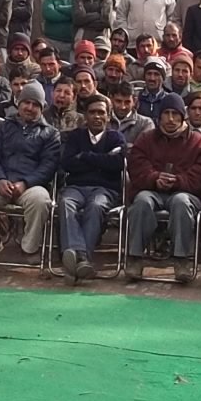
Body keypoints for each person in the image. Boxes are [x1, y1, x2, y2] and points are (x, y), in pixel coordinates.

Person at [0, 85, 61, 260]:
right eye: (26, 102)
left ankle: (30, 249)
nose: (30, 108)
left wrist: (25, 183)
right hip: (0, 183)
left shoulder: (50, 133)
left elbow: (48, 166)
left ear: (42, 108)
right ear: (18, 103)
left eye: (35, 104)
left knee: (41, 200)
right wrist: (0, 179)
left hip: (31, 186)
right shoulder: (3, 128)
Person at [123, 99, 201, 283]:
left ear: (182, 116)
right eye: (166, 114)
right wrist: (154, 178)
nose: (171, 119)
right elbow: (136, 167)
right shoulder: (146, 139)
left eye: (175, 114)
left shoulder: (198, 141)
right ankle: (135, 258)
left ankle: (180, 259)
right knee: (141, 202)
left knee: (181, 202)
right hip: (151, 190)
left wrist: (178, 181)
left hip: (185, 192)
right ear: (159, 116)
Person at [56, 95, 127, 283]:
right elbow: (68, 163)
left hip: (105, 189)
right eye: (92, 112)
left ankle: (76, 259)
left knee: (96, 206)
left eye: (101, 112)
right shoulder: (75, 136)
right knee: (65, 202)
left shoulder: (115, 137)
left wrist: (85, 156)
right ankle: (82, 259)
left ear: (108, 116)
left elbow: (118, 164)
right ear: (85, 116)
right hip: (76, 187)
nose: (97, 117)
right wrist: (101, 160)